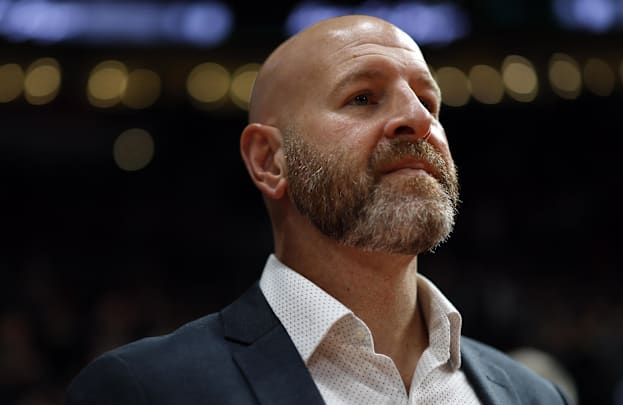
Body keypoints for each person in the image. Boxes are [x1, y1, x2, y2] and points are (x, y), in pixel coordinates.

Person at [66, 14, 572, 404]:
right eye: (363, 98)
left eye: (428, 101)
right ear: (270, 161)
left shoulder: (533, 395)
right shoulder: (146, 390)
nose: (417, 120)